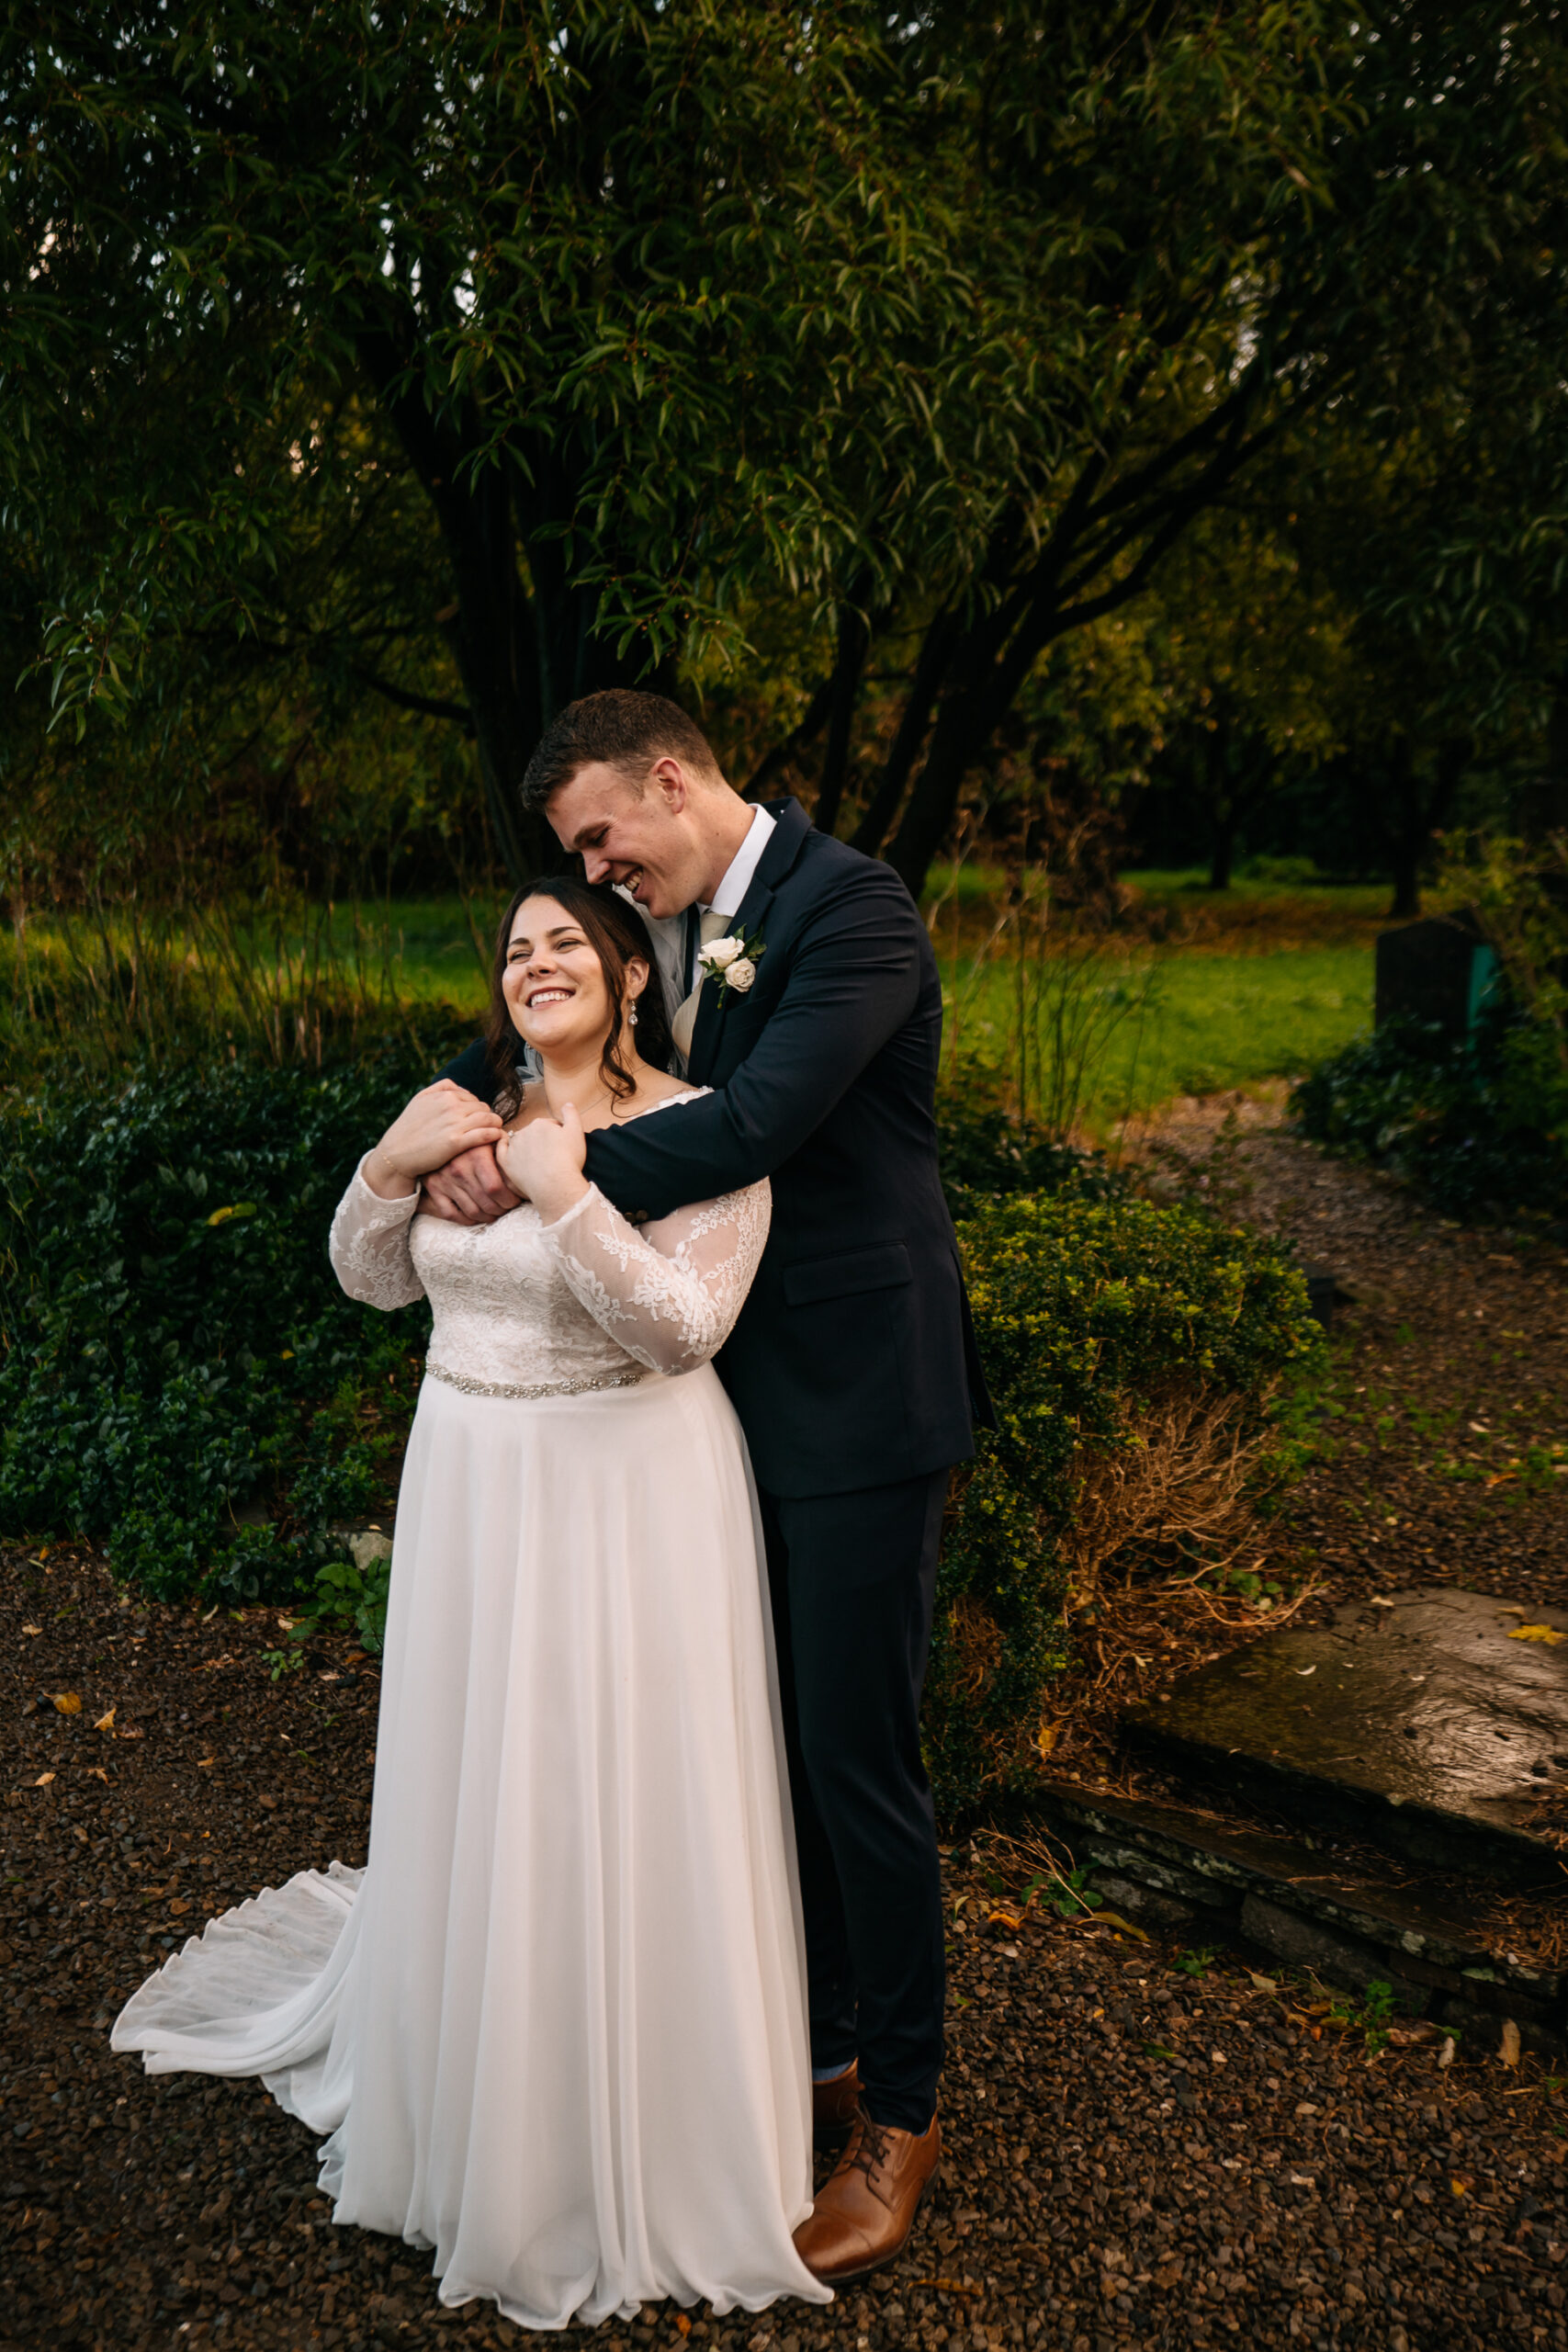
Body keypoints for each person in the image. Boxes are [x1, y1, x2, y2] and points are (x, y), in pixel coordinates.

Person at [112, 877, 829, 2332]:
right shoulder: (460, 1112)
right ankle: (472, 2088)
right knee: (482, 1774)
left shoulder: (709, 1131)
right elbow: (370, 1284)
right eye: (516, 949)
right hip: (471, 1483)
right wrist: (388, 1166)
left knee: (609, 1786)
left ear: (630, 970)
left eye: (567, 941)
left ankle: (620, 2129)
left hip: (630, 1493)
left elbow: (684, 1330)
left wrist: (566, 1192)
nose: (538, 963)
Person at [425, 690, 988, 2286]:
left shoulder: (851, 907)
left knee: (853, 1763)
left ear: (669, 778)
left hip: (865, 1403)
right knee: (761, 1747)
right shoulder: (670, 927)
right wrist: (498, 1135)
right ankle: (801, 2059)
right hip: (720, 1407)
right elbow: (607, 1068)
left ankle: (905, 2113)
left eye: (604, 834)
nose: (602, 870)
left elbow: (751, 1123)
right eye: (576, 859)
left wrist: (546, 1175)